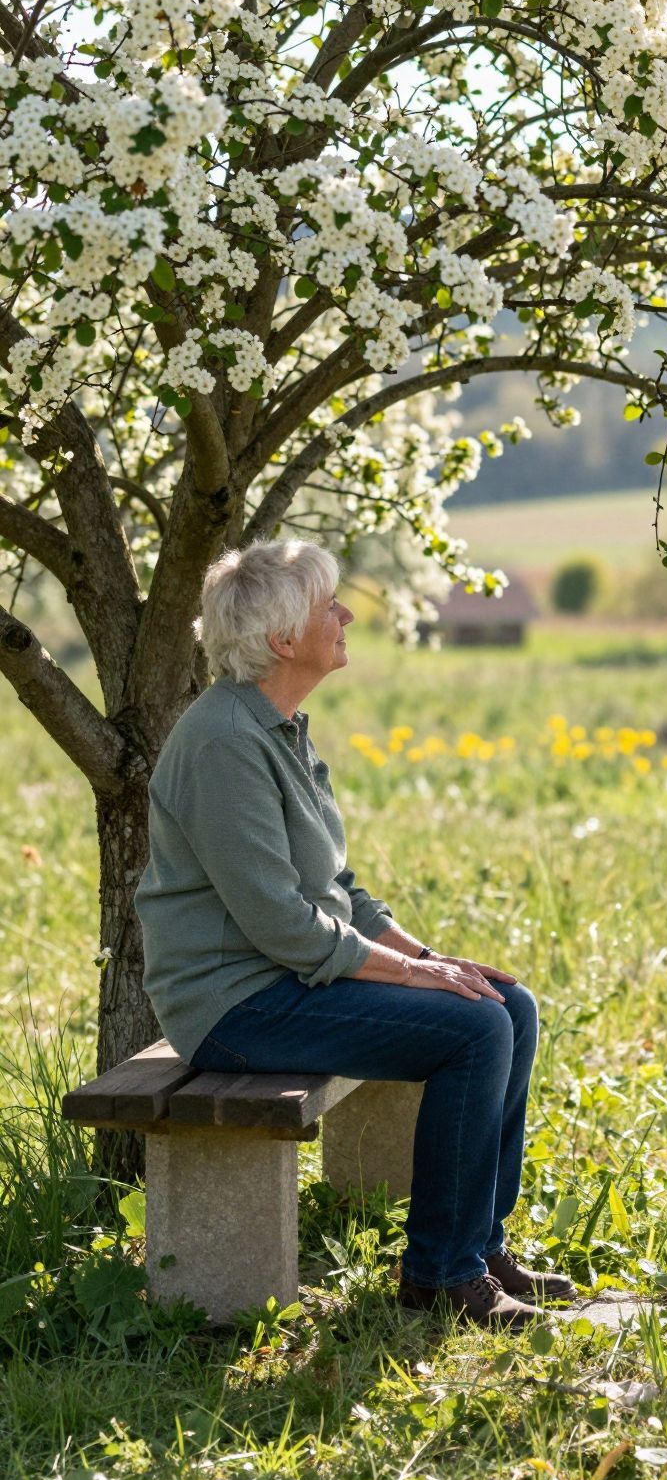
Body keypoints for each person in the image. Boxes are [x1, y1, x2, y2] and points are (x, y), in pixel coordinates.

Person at [135, 539, 569, 1329]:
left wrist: (430, 959)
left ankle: (477, 1244)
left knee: (512, 1005)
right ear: (282, 641)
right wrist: (412, 981)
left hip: (282, 980)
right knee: (473, 1032)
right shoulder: (226, 743)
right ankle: (439, 1275)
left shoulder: (281, 727)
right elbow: (282, 924)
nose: (346, 614)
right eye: (327, 605)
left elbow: (337, 890)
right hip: (234, 1007)